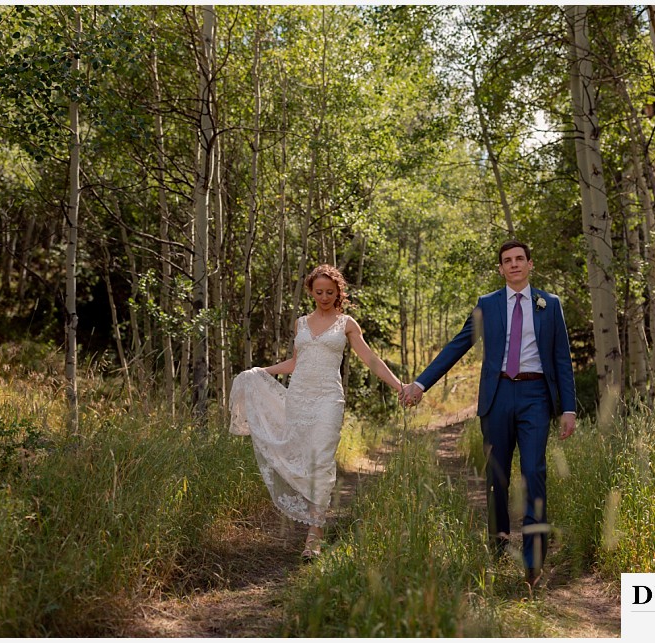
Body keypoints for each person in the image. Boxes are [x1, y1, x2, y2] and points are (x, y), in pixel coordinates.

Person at [399, 240, 575, 592]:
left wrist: (568, 408)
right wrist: (420, 384)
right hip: (496, 397)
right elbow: (457, 345)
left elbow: (561, 359)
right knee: (496, 477)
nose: (513, 265)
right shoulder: (487, 305)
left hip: (535, 396)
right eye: (507, 261)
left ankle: (532, 561)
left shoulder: (549, 305)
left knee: (534, 473)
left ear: (530, 264)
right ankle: (497, 545)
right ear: (500, 269)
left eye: (519, 259)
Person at [230, 264, 404, 560]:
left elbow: (370, 359)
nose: (324, 297)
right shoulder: (301, 323)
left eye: (330, 292)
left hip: (328, 400)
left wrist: (400, 386)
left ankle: (315, 532)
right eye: (319, 291)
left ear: (338, 292)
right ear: (311, 291)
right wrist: (260, 372)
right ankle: (314, 521)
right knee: (303, 459)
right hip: (298, 398)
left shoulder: (346, 323)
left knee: (321, 460)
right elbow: (295, 363)